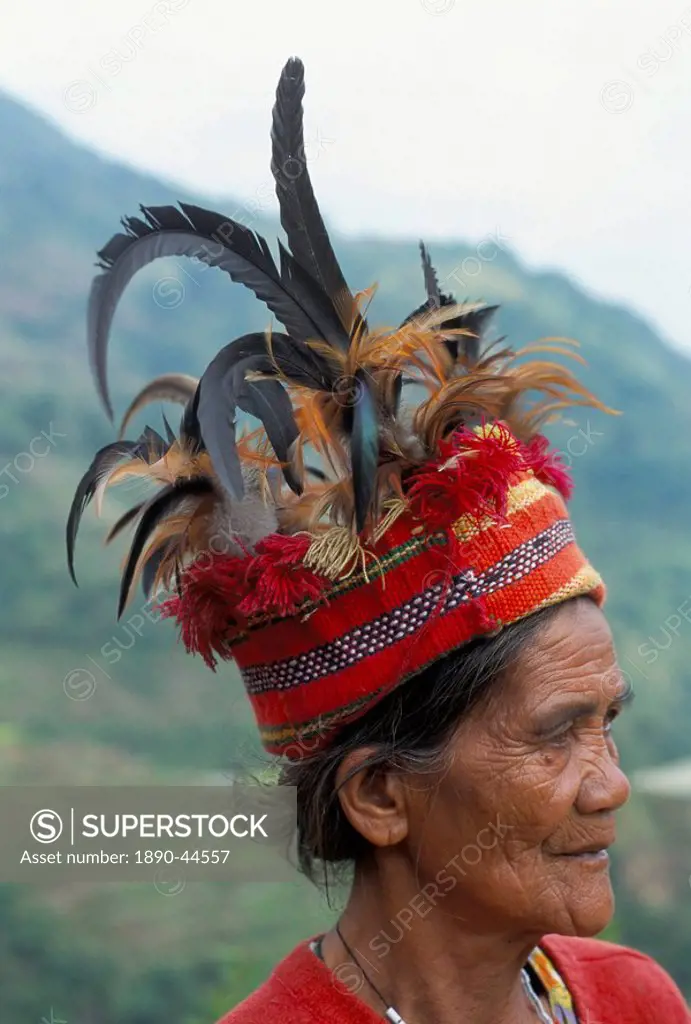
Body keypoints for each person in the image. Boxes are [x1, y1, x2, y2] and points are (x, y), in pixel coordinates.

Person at [67, 57, 690, 1024]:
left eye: (606, 721)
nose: (609, 784)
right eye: (557, 733)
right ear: (381, 796)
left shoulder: (631, 1000)